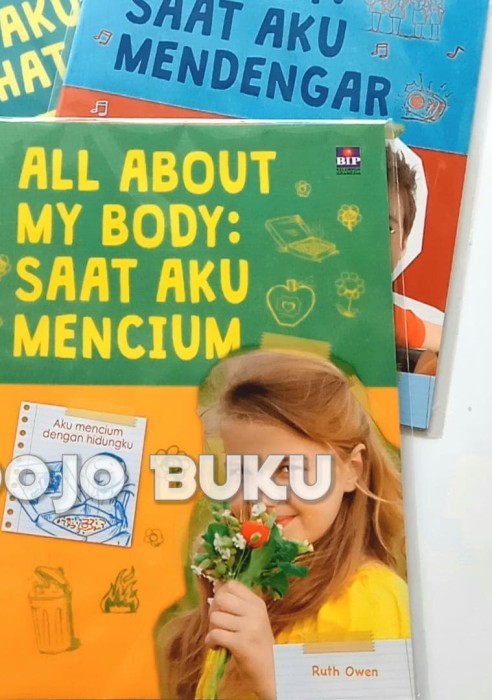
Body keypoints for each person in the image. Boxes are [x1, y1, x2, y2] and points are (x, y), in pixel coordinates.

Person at [157, 351, 409, 700]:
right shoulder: (251, 590)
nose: (263, 497)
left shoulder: (368, 600)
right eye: (242, 472)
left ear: (353, 469)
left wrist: (273, 676)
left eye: (287, 469)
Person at [387, 144, 442, 361]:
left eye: (386, 228)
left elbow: (451, 341)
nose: (368, 238)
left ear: (403, 245)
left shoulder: (390, 321)